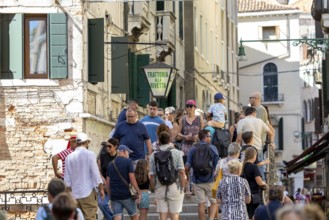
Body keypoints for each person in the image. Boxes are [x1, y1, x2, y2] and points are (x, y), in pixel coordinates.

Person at [64, 132, 104, 220]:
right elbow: (95, 174)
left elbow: (67, 179)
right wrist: (101, 188)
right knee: (90, 217)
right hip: (87, 192)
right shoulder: (90, 155)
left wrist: (68, 194)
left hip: (74, 193)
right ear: (86, 142)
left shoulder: (69, 157)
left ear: (77, 143)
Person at [149, 131, 186, 220]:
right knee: (174, 214)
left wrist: (153, 188)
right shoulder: (177, 153)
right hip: (175, 186)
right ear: (170, 140)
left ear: (159, 141)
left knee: (162, 215)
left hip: (160, 186)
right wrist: (182, 187)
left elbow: (152, 175)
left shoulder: (153, 155)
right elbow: (181, 172)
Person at [185, 129, 219, 220]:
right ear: (205, 137)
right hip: (210, 180)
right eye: (209, 136)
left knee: (201, 203)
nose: (210, 138)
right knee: (214, 202)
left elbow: (187, 165)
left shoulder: (193, 148)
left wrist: (187, 176)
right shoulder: (212, 148)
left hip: (197, 180)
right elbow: (217, 165)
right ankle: (211, 218)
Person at [236, 107, 274, 177]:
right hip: (258, 148)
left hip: (246, 149)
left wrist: (237, 149)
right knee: (259, 167)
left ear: (245, 113)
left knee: (245, 167)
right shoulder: (260, 121)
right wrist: (271, 143)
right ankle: (261, 184)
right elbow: (271, 133)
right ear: (254, 113)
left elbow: (239, 139)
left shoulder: (241, 122)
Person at [106, 145, 141, 220]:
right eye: (128, 152)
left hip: (115, 196)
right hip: (127, 195)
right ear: (124, 151)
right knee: (134, 216)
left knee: (117, 217)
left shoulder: (110, 164)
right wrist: (138, 191)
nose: (128, 155)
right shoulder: (128, 162)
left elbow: (107, 183)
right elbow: (132, 178)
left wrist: (110, 196)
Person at [177, 100, 204, 193]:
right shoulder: (183, 119)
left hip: (196, 147)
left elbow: (203, 132)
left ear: (195, 108)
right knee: (186, 168)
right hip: (185, 147)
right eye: (187, 106)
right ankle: (187, 187)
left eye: (191, 106)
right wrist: (185, 136)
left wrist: (198, 136)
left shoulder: (199, 119)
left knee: (196, 167)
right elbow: (178, 133)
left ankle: (194, 187)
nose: (189, 108)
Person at [241, 147, 268, 219]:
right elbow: (259, 182)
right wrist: (264, 183)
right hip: (254, 196)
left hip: (244, 195)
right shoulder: (254, 167)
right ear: (254, 156)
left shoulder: (242, 166)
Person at [97, 138, 119, 220]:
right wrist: (102, 179)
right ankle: (111, 218)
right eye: (106, 146)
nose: (107, 148)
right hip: (104, 184)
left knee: (118, 208)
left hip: (116, 185)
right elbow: (98, 169)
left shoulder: (119, 156)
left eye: (110, 146)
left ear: (115, 146)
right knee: (101, 203)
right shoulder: (103, 156)